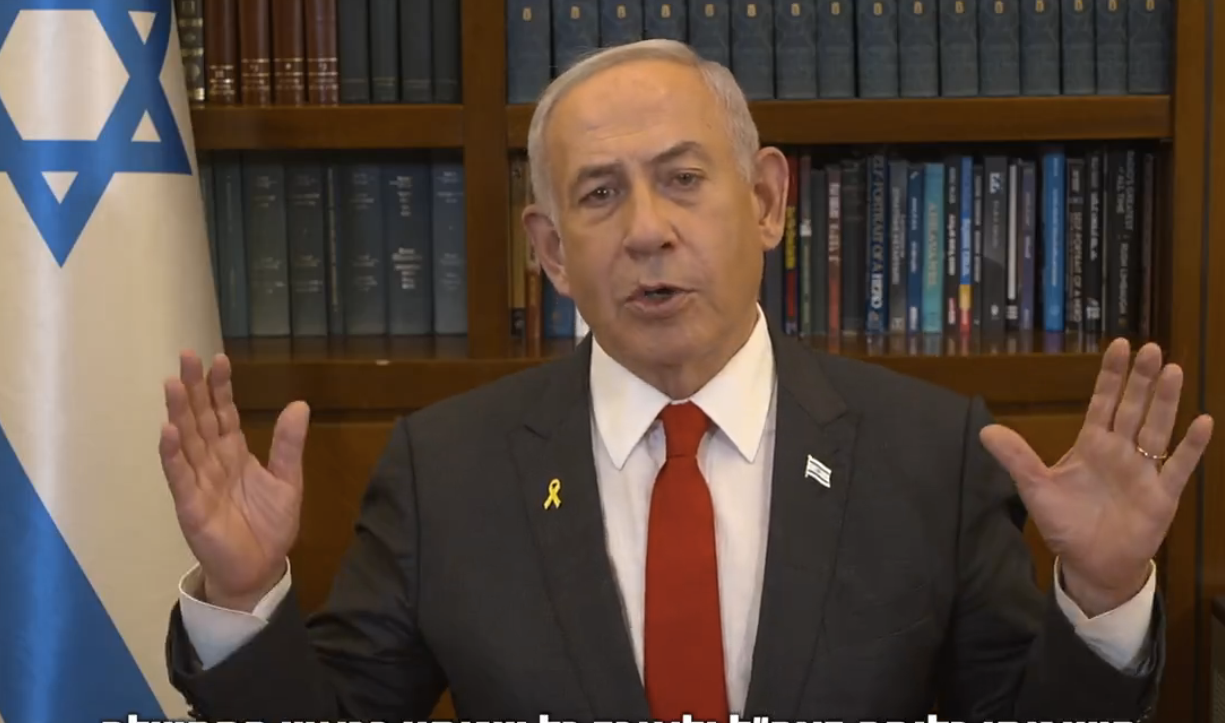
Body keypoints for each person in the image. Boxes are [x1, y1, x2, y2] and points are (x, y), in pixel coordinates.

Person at [160, 39, 1213, 723]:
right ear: (550, 251)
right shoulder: (447, 471)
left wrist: (1101, 597)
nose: (647, 231)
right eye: (599, 195)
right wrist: (245, 596)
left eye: (682, 179)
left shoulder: (927, 456)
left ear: (766, 202)